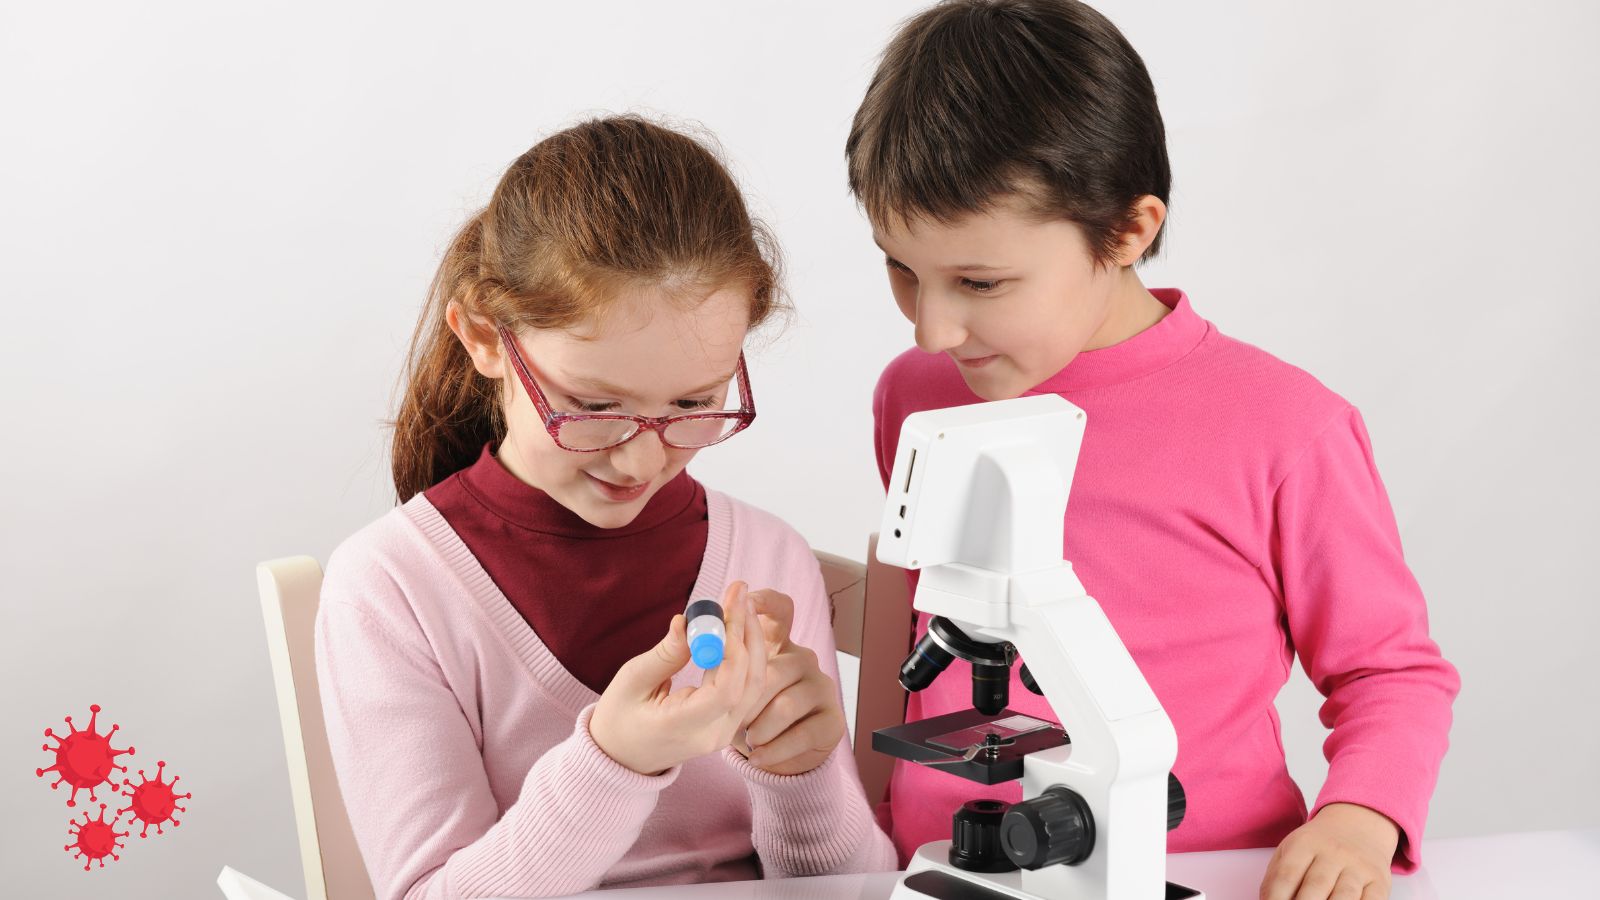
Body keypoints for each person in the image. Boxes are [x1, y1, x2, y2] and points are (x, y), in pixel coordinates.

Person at [845, 3, 1460, 899]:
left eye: (980, 282)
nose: (934, 328)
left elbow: (1388, 669)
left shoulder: (1286, 427)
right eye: (901, 268)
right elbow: (919, 619)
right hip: (943, 867)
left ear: (1128, 231)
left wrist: (1359, 820)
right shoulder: (917, 395)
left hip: (1200, 867)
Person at [316, 115, 895, 900]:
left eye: (695, 402)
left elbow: (854, 888)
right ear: (485, 338)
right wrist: (615, 762)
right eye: (593, 406)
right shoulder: (391, 587)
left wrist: (800, 774)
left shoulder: (770, 557)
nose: (642, 457)